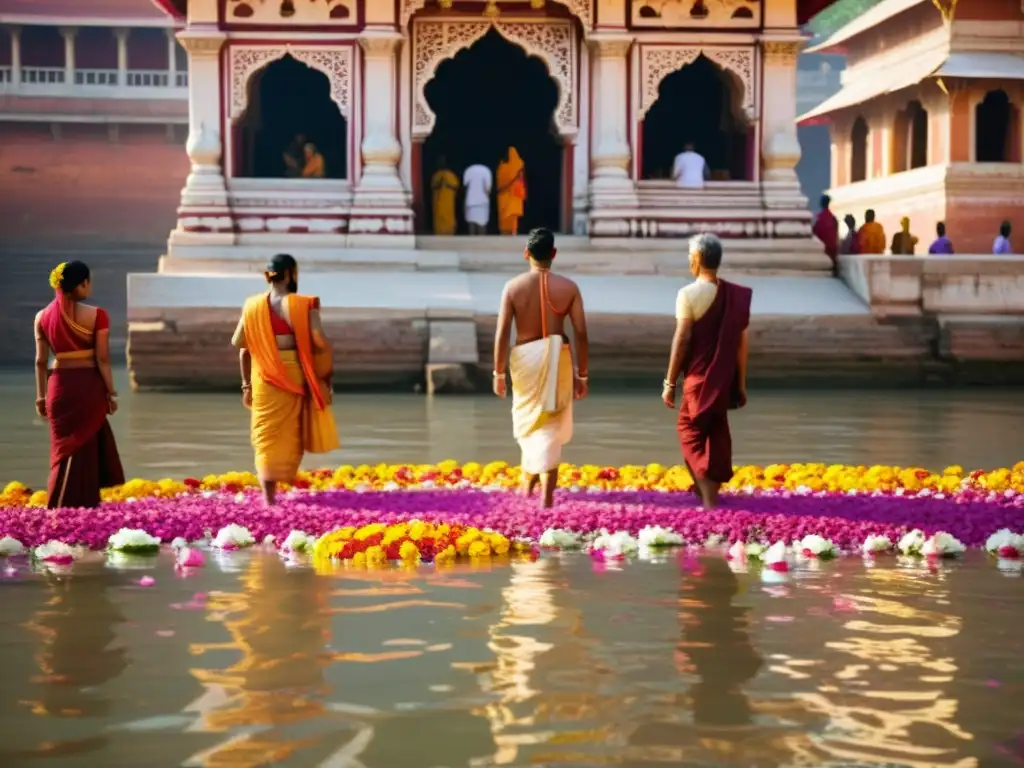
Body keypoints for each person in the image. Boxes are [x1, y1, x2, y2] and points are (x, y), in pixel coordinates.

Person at [232, 254, 339, 505]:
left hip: (263, 378)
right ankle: (282, 483)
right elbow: (320, 344)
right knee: (291, 434)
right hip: (296, 376)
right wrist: (325, 377)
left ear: (267, 275)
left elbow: (242, 347)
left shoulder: (252, 306)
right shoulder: (303, 305)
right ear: (291, 274)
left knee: (266, 435)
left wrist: (246, 384)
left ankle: (269, 496)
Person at [492, 228, 589, 508]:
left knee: (532, 424)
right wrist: (583, 374)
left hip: (524, 360)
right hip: (559, 357)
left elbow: (501, 334)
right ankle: (541, 493)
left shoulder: (512, 287)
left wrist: (498, 373)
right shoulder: (569, 288)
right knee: (550, 424)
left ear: (526, 253)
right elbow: (581, 333)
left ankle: (537, 493)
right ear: (554, 254)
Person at [662, 234, 752, 510]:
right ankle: (707, 495)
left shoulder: (688, 294)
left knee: (688, 430)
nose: (689, 260)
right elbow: (741, 344)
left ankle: (708, 499)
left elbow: (683, 338)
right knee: (715, 431)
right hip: (724, 380)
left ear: (698, 259)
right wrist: (741, 384)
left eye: (690, 255)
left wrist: (670, 382)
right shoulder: (734, 296)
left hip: (697, 380)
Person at [35, 261, 124, 508]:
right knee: (87, 445)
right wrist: (110, 391)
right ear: (82, 284)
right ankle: (84, 507)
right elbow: (102, 358)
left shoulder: (41, 317)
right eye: (88, 282)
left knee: (62, 450)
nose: (89, 286)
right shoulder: (97, 315)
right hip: (88, 386)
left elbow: (41, 361)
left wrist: (41, 397)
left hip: (59, 389)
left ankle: (58, 504)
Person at [497, 146, 527, 236]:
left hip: (509, 193)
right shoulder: (518, 165)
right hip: (512, 193)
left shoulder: (503, 167)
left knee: (510, 214)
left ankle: (509, 231)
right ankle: (511, 231)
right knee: (510, 214)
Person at [430, 156, 460, 236]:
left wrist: (446, 184)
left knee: (448, 216)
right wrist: (439, 184)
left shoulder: (450, 175)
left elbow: (456, 186)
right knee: (439, 217)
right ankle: (438, 231)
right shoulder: (436, 175)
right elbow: (432, 186)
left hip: (448, 199)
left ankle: (449, 231)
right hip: (438, 200)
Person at [462, 160, 493, 235]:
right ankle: (482, 242)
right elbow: (488, 189)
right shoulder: (486, 170)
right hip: (482, 201)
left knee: (471, 223)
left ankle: (471, 241)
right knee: (482, 223)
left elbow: (465, 186)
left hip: (470, 201)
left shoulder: (468, 170)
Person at [812, 194, 839, 273]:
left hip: (822, 251)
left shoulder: (818, 218)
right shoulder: (833, 218)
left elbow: (814, 233)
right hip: (832, 251)